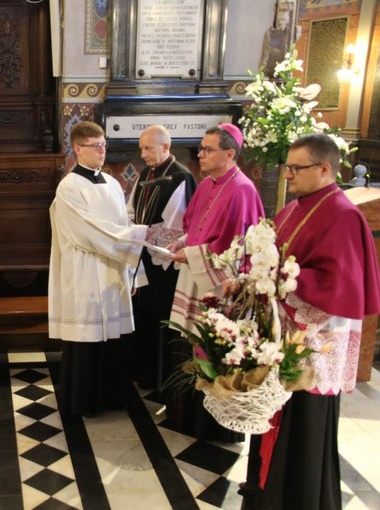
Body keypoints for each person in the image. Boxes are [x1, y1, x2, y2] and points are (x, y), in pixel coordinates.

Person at [243, 134, 380, 509]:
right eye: (287, 167)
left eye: (296, 168)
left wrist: (280, 280)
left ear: (324, 168)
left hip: (314, 345)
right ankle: (266, 493)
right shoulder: (293, 209)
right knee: (272, 418)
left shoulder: (343, 215)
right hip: (281, 335)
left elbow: (339, 287)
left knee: (303, 429)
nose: (288, 175)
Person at [166, 123, 264, 441]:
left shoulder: (242, 189)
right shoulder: (208, 183)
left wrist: (190, 254)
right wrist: (183, 242)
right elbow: (196, 226)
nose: (200, 154)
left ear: (230, 153)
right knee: (188, 344)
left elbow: (235, 249)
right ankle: (184, 413)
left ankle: (209, 423)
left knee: (210, 346)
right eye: (201, 148)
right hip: (192, 275)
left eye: (208, 149)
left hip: (216, 284)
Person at [48, 121, 151, 417]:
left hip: (113, 270)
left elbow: (122, 225)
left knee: (115, 339)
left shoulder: (113, 184)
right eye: (96, 146)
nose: (102, 151)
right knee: (86, 339)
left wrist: (133, 272)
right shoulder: (68, 187)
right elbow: (87, 232)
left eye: (104, 145)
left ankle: (113, 396)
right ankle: (83, 401)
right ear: (78, 149)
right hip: (84, 271)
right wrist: (136, 238)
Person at [128, 125, 197, 389]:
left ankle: (160, 377)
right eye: (141, 149)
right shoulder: (146, 174)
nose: (143, 155)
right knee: (143, 315)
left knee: (160, 316)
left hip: (166, 262)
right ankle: (142, 372)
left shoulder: (181, 177)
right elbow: (132, 210)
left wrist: (142, 234)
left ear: (165, 147)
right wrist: (132, 230)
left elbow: (178, 226)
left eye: (148, 148)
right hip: (143, 257)